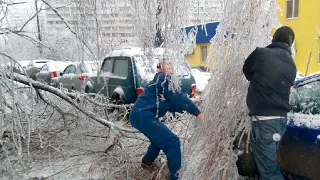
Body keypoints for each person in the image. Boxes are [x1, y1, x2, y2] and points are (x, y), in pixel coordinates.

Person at [129, 59, 204, 180]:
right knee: (173, 141)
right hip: (143, 115)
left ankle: (147, 163)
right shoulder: (164, 79)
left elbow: (172, 104)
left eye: (171, 64)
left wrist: (189, 105)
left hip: (140, 115)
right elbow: (179, 98)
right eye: (166, 64)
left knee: (158, 139)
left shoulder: (161, 81)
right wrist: (198, 113)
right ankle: (176, 177)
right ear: (160, 68)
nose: (170, 66)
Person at [242, 26, 297, 180]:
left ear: (274, 39)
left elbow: (247, 71)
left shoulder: (261, 53)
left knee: (269, 172)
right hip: (280, 121)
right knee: (270, 164)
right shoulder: (292, 65)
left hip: (264, 123)